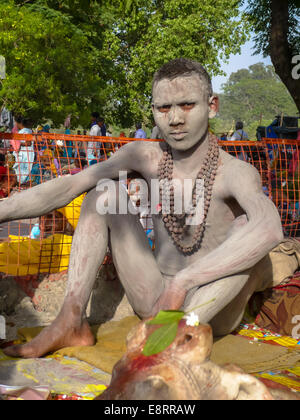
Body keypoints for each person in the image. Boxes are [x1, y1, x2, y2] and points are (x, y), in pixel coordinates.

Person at [1, 58, 283, 359]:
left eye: (187, 105)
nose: (175, 118)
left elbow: (270, 227)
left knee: (246, 227)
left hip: (207, 308)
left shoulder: (235, 172)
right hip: (154, 296)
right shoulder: (144, 156)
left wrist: (185, 281)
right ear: (153, 111)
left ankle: (174, 337)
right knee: (102, 194)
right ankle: (71, 320)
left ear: (212, 106)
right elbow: (70, 186)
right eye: (164, 108)